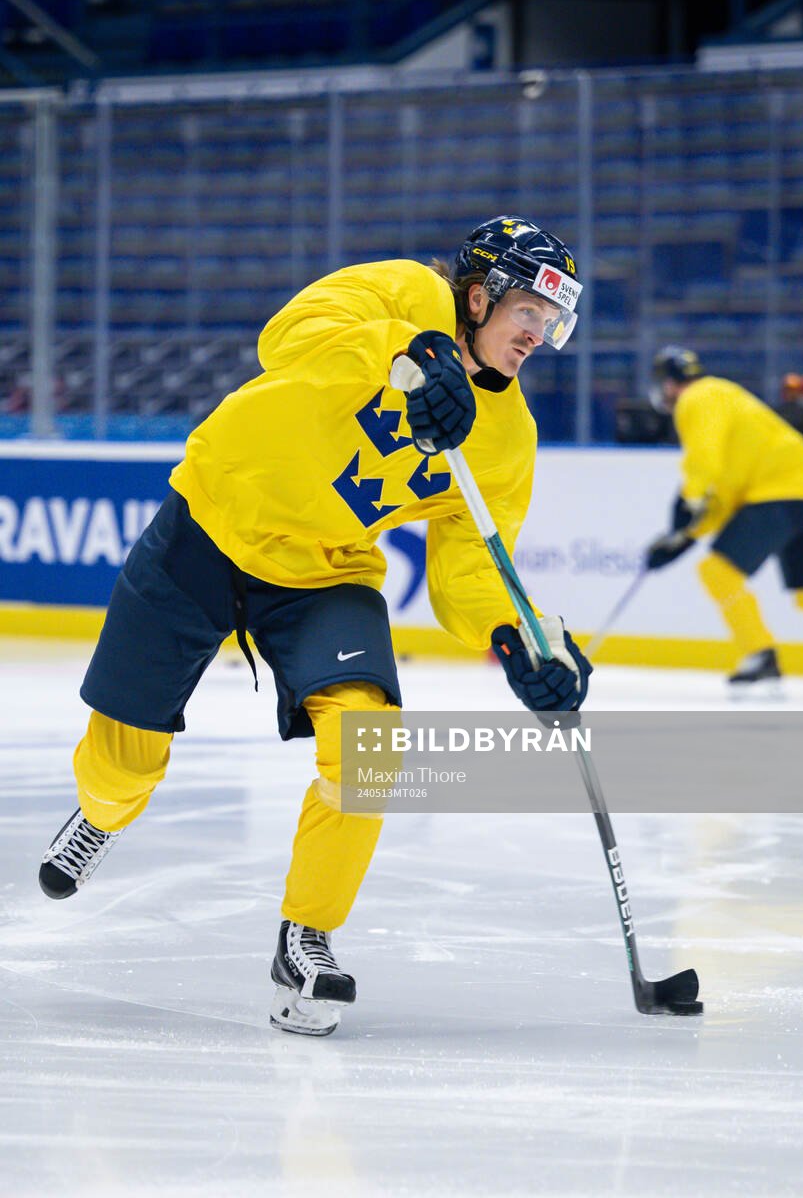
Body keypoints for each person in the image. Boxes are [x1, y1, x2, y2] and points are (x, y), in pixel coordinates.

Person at [38, 215, 592, 1036]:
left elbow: (472, 565)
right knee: (123, 769)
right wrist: (412, 353)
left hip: (323, 574)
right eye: (528, 317)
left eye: (550, 325)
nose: (537, 339)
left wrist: (520, 640)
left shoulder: (506, 436)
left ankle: (308, 936)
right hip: (212, 527)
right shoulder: (403, 290)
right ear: (478, 297)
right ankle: (102, 815)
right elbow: (288, 337)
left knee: (369, 743)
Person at [644, 347, 803, 686]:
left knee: (717, 572)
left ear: (669, 384)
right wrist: (685, 537)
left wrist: (686, 506)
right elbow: (724, 492)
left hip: (777, 493)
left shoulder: (695, 399)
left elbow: (704, 465)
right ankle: (760, 655)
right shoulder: (721, 394)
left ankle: (760, 655)